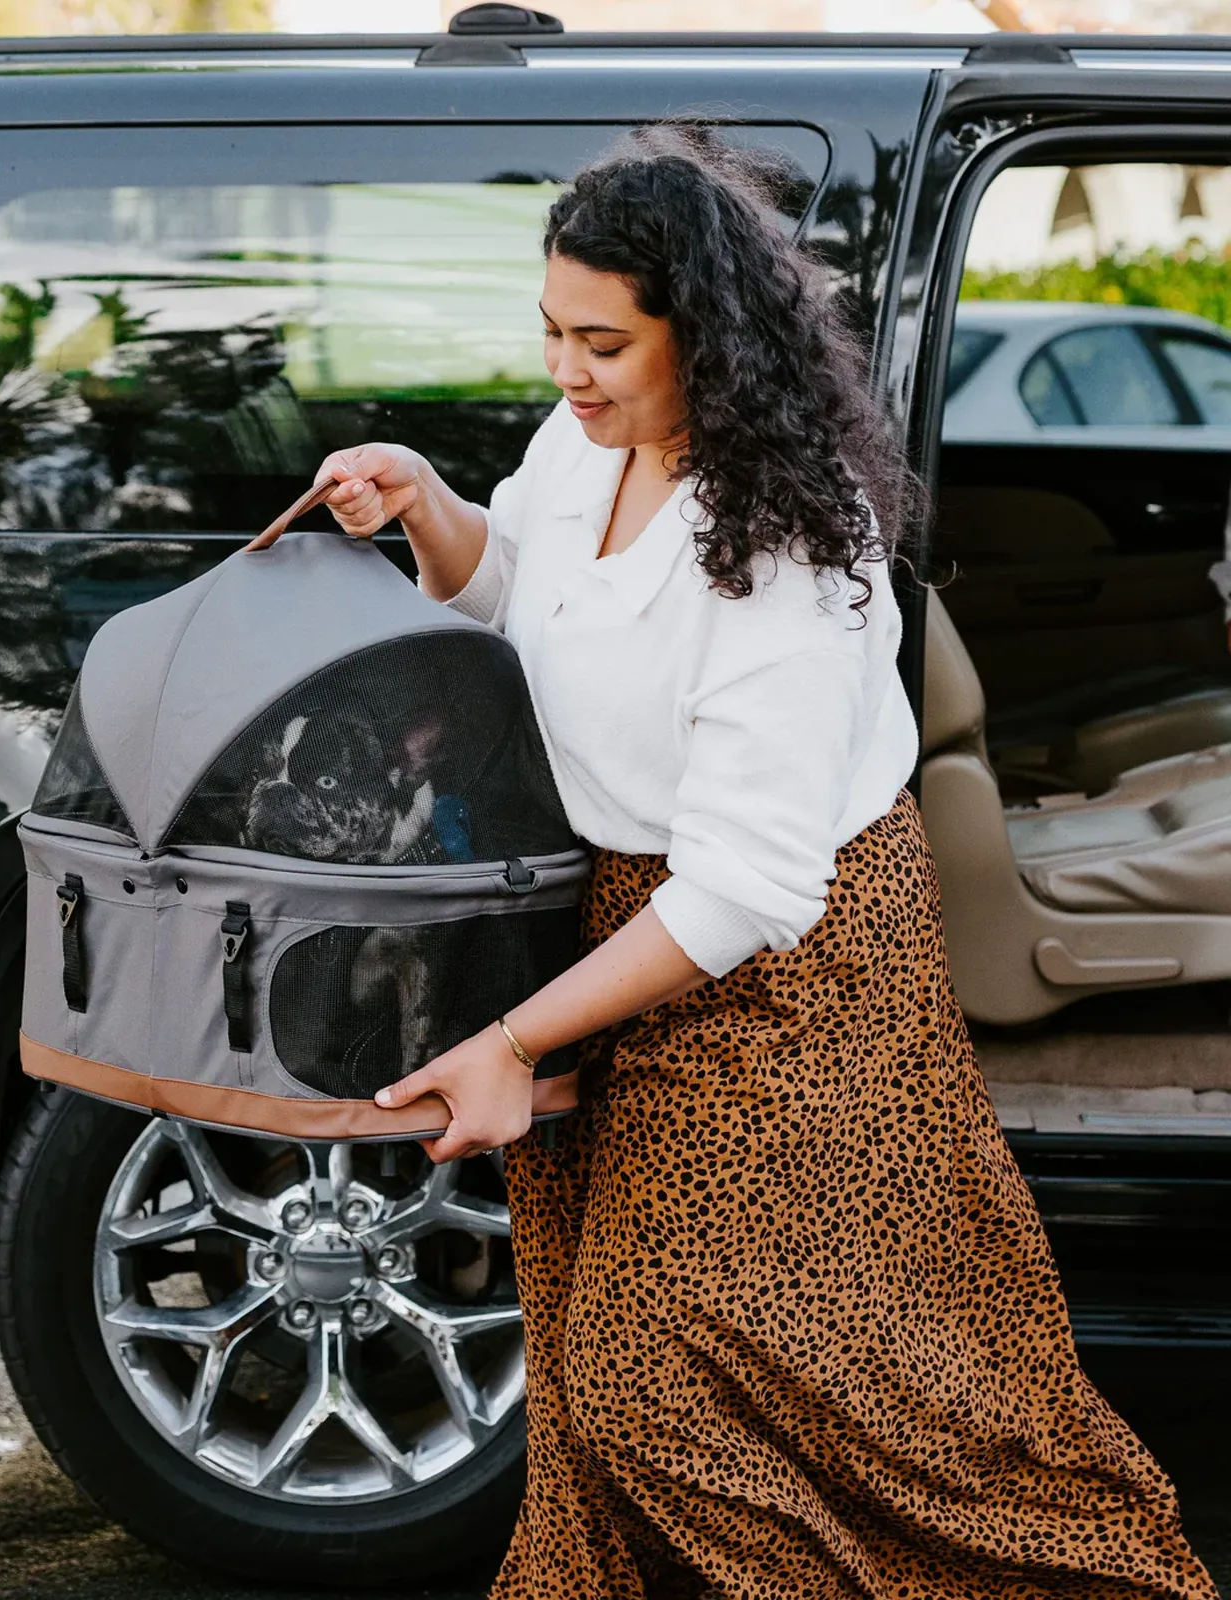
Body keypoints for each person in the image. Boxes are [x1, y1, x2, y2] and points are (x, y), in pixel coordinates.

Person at [313, 126, 1216, 1600]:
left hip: (797, 975)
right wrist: (427, 507)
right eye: (551, 332)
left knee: (708, 1387)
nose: (566, 371)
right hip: (624, 935)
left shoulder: (787, 542)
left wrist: (511, 1042)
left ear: (710, 338)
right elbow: (527, 595)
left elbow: (746, 885)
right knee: (603, 1385)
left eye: (604, 342)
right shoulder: (577, 445)